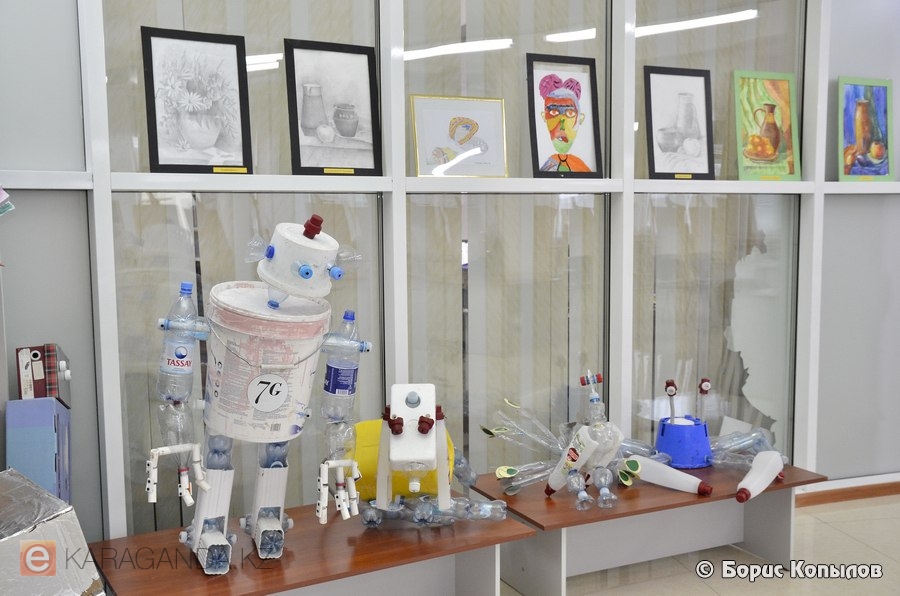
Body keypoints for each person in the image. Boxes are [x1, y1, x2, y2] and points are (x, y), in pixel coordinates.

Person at [538, 73, 591, 172]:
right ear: (544, 116)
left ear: (580, 118)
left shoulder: (583, 169)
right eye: (554, 112)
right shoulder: (547, 167)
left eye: (570, 113)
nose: (561, 126)